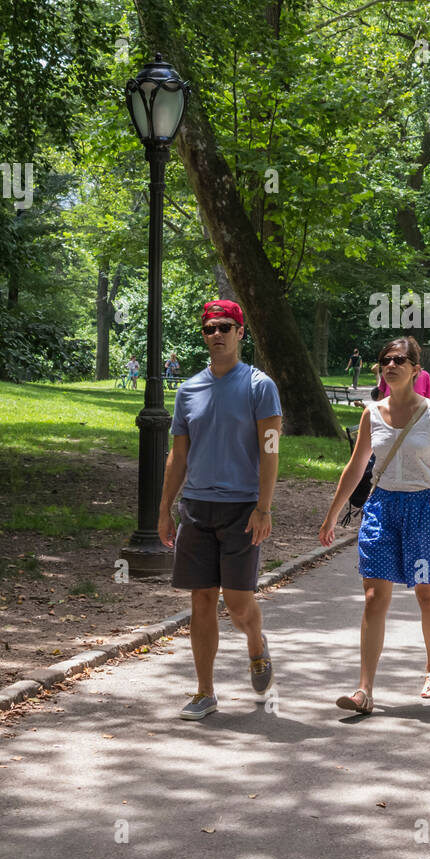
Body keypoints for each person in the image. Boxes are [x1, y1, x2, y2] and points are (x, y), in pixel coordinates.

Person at [318, 336, 430, 712]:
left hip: (423, 508)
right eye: (386, 359)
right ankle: (364, 689)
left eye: (401, 359)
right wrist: (333, 513)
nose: (392, 364)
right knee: (373, 597)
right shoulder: (372, 413)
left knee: (426, 594)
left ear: (416, 368)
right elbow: (356, 468)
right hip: (382, 507)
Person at [157, 299, 282, 721]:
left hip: (242, 509)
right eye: (210, 328)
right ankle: (205, 691)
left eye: (225, 327)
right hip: (196, 508)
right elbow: (178, 455)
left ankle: (256, 644)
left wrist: (264, 507)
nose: (217, 334)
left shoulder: (259, 386)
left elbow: (270, 450)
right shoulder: (189, 389)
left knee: (239, 603)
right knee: (202, 599)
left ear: (240, 333)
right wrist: (165, 509)